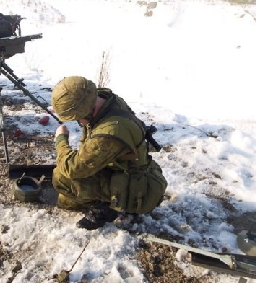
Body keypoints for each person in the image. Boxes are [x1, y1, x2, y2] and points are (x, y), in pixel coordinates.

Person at [50, 76, 168, 230]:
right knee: (64, 200)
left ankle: (106, 208)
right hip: (124, 170)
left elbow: (72, 168)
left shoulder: (109, 133)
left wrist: (61, 140)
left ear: (86, 112)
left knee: (61, 178)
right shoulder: (105, 100)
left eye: (77, 118)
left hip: (136, 190)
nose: (78, 122)